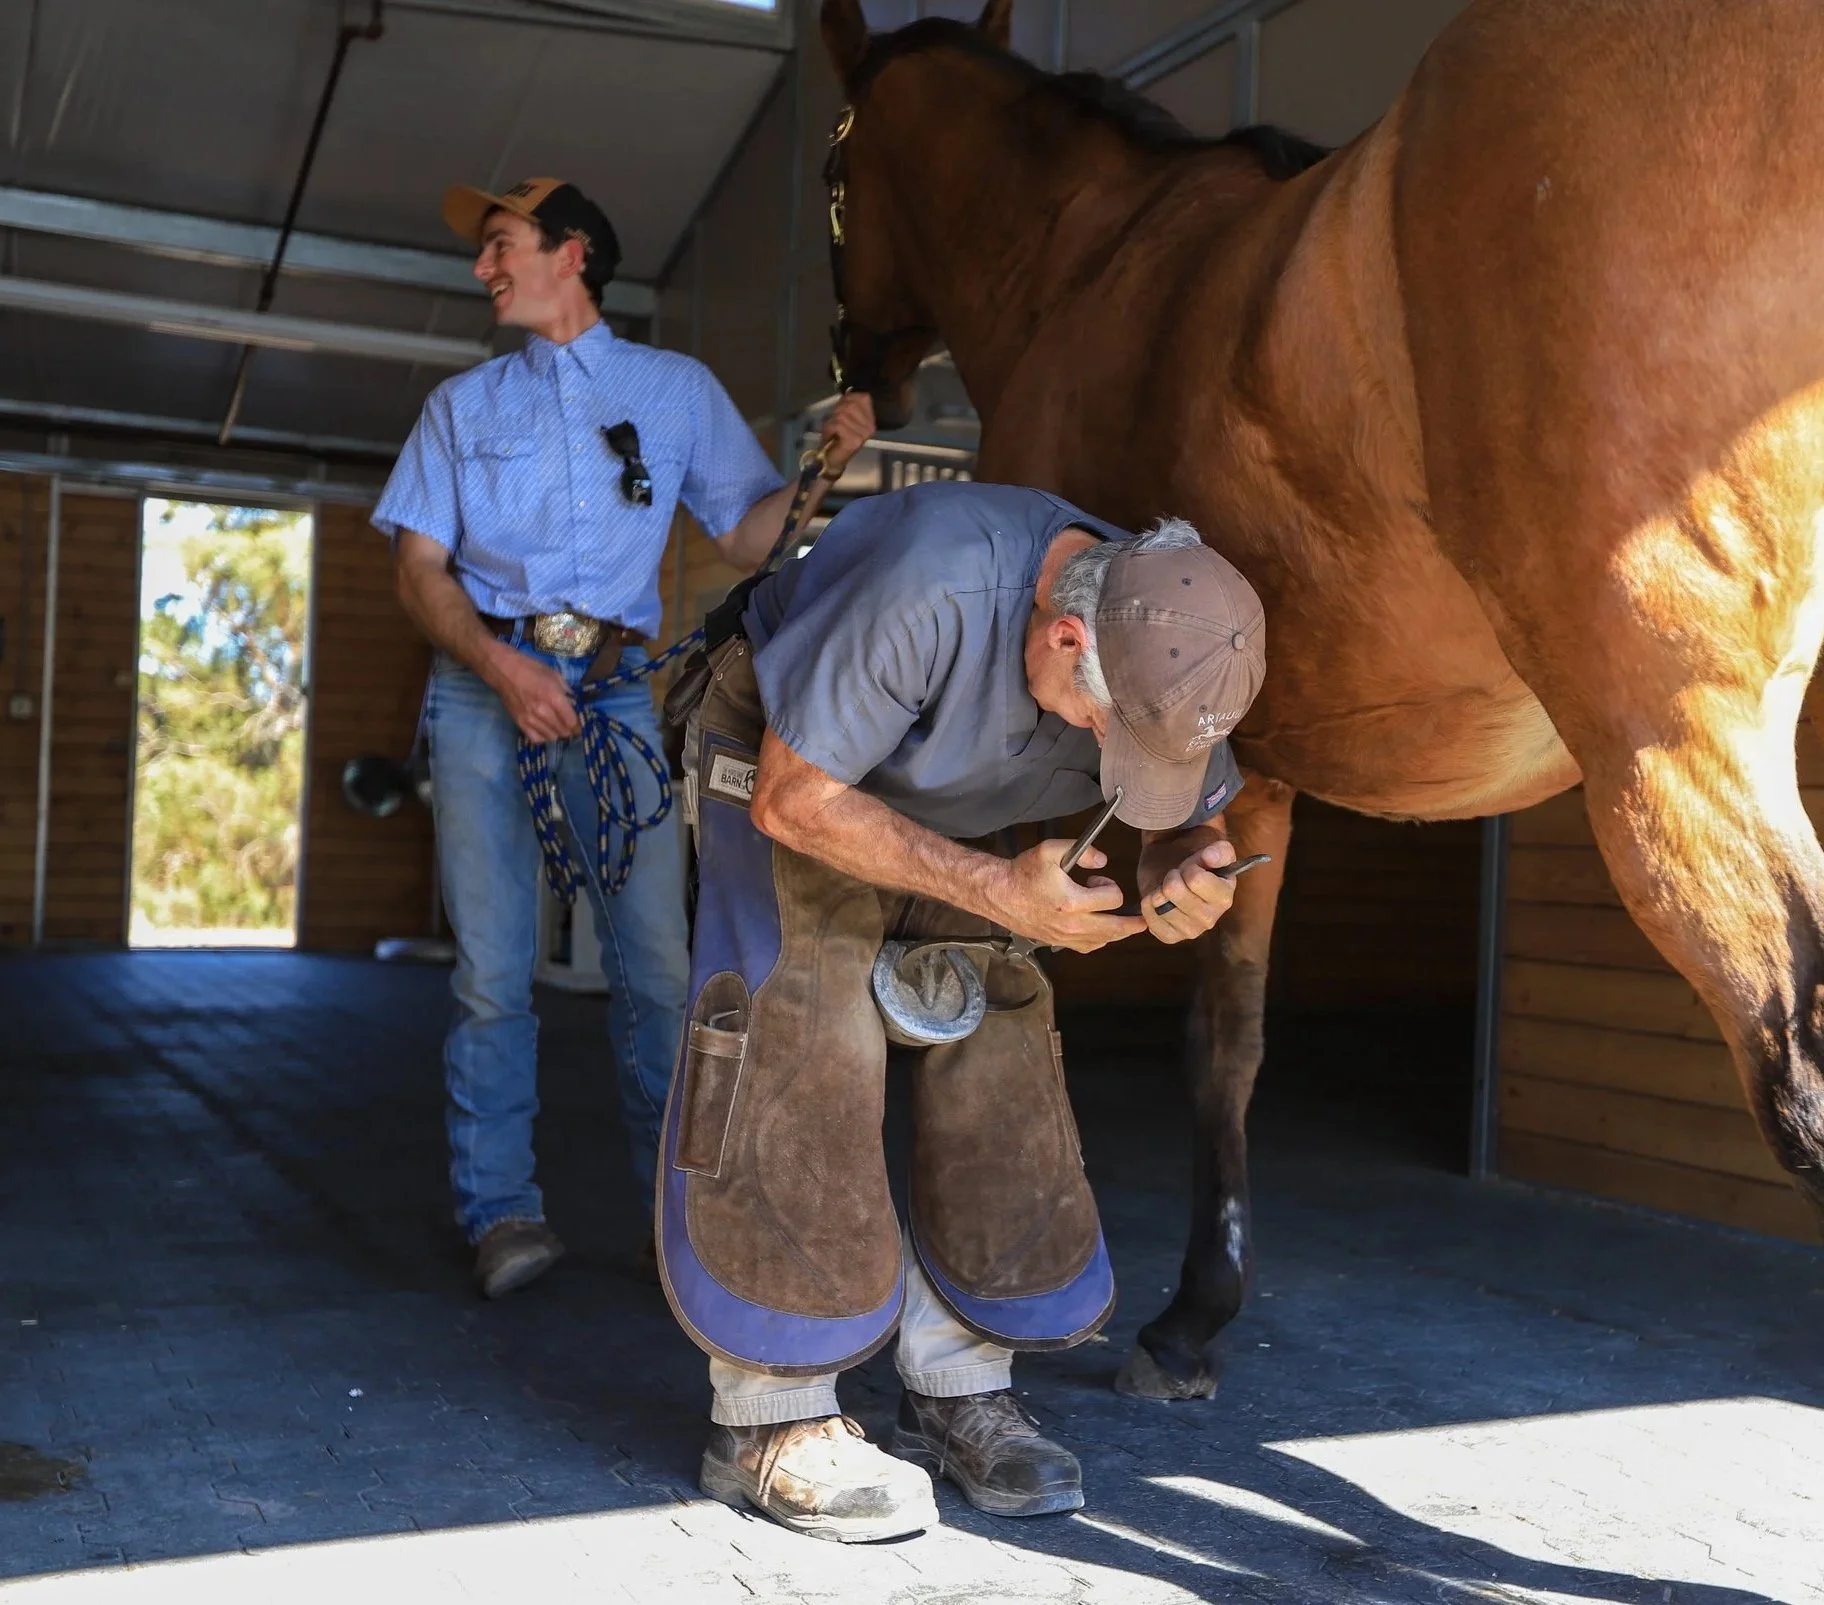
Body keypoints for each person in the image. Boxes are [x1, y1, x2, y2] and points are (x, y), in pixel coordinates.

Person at [659, 480, 1265, 1540]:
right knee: (808, 1028)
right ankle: (770, 1416)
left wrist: (1189, 863)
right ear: (1064, 636)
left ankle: (958, 1384)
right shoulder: (932, 586)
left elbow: (1181, 806)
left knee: (996, 1036)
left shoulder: (1171, 626)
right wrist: (992, 890)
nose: (1106, 754)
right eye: (1100, 731)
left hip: (959, 787)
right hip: (786, 752)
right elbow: (794, 801)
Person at [372, 175, 874, 1298]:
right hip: (478, 688)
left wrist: (822, 467)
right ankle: (502, 1213)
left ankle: (679, 1215)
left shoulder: (675, 391)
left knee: (654, 962)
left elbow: (749, 538)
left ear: (572, 252)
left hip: (611, 695)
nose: (482, 267)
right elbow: (417, 572)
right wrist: (501, 667)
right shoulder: (461, 408)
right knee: (493, 972)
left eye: (500, 244)